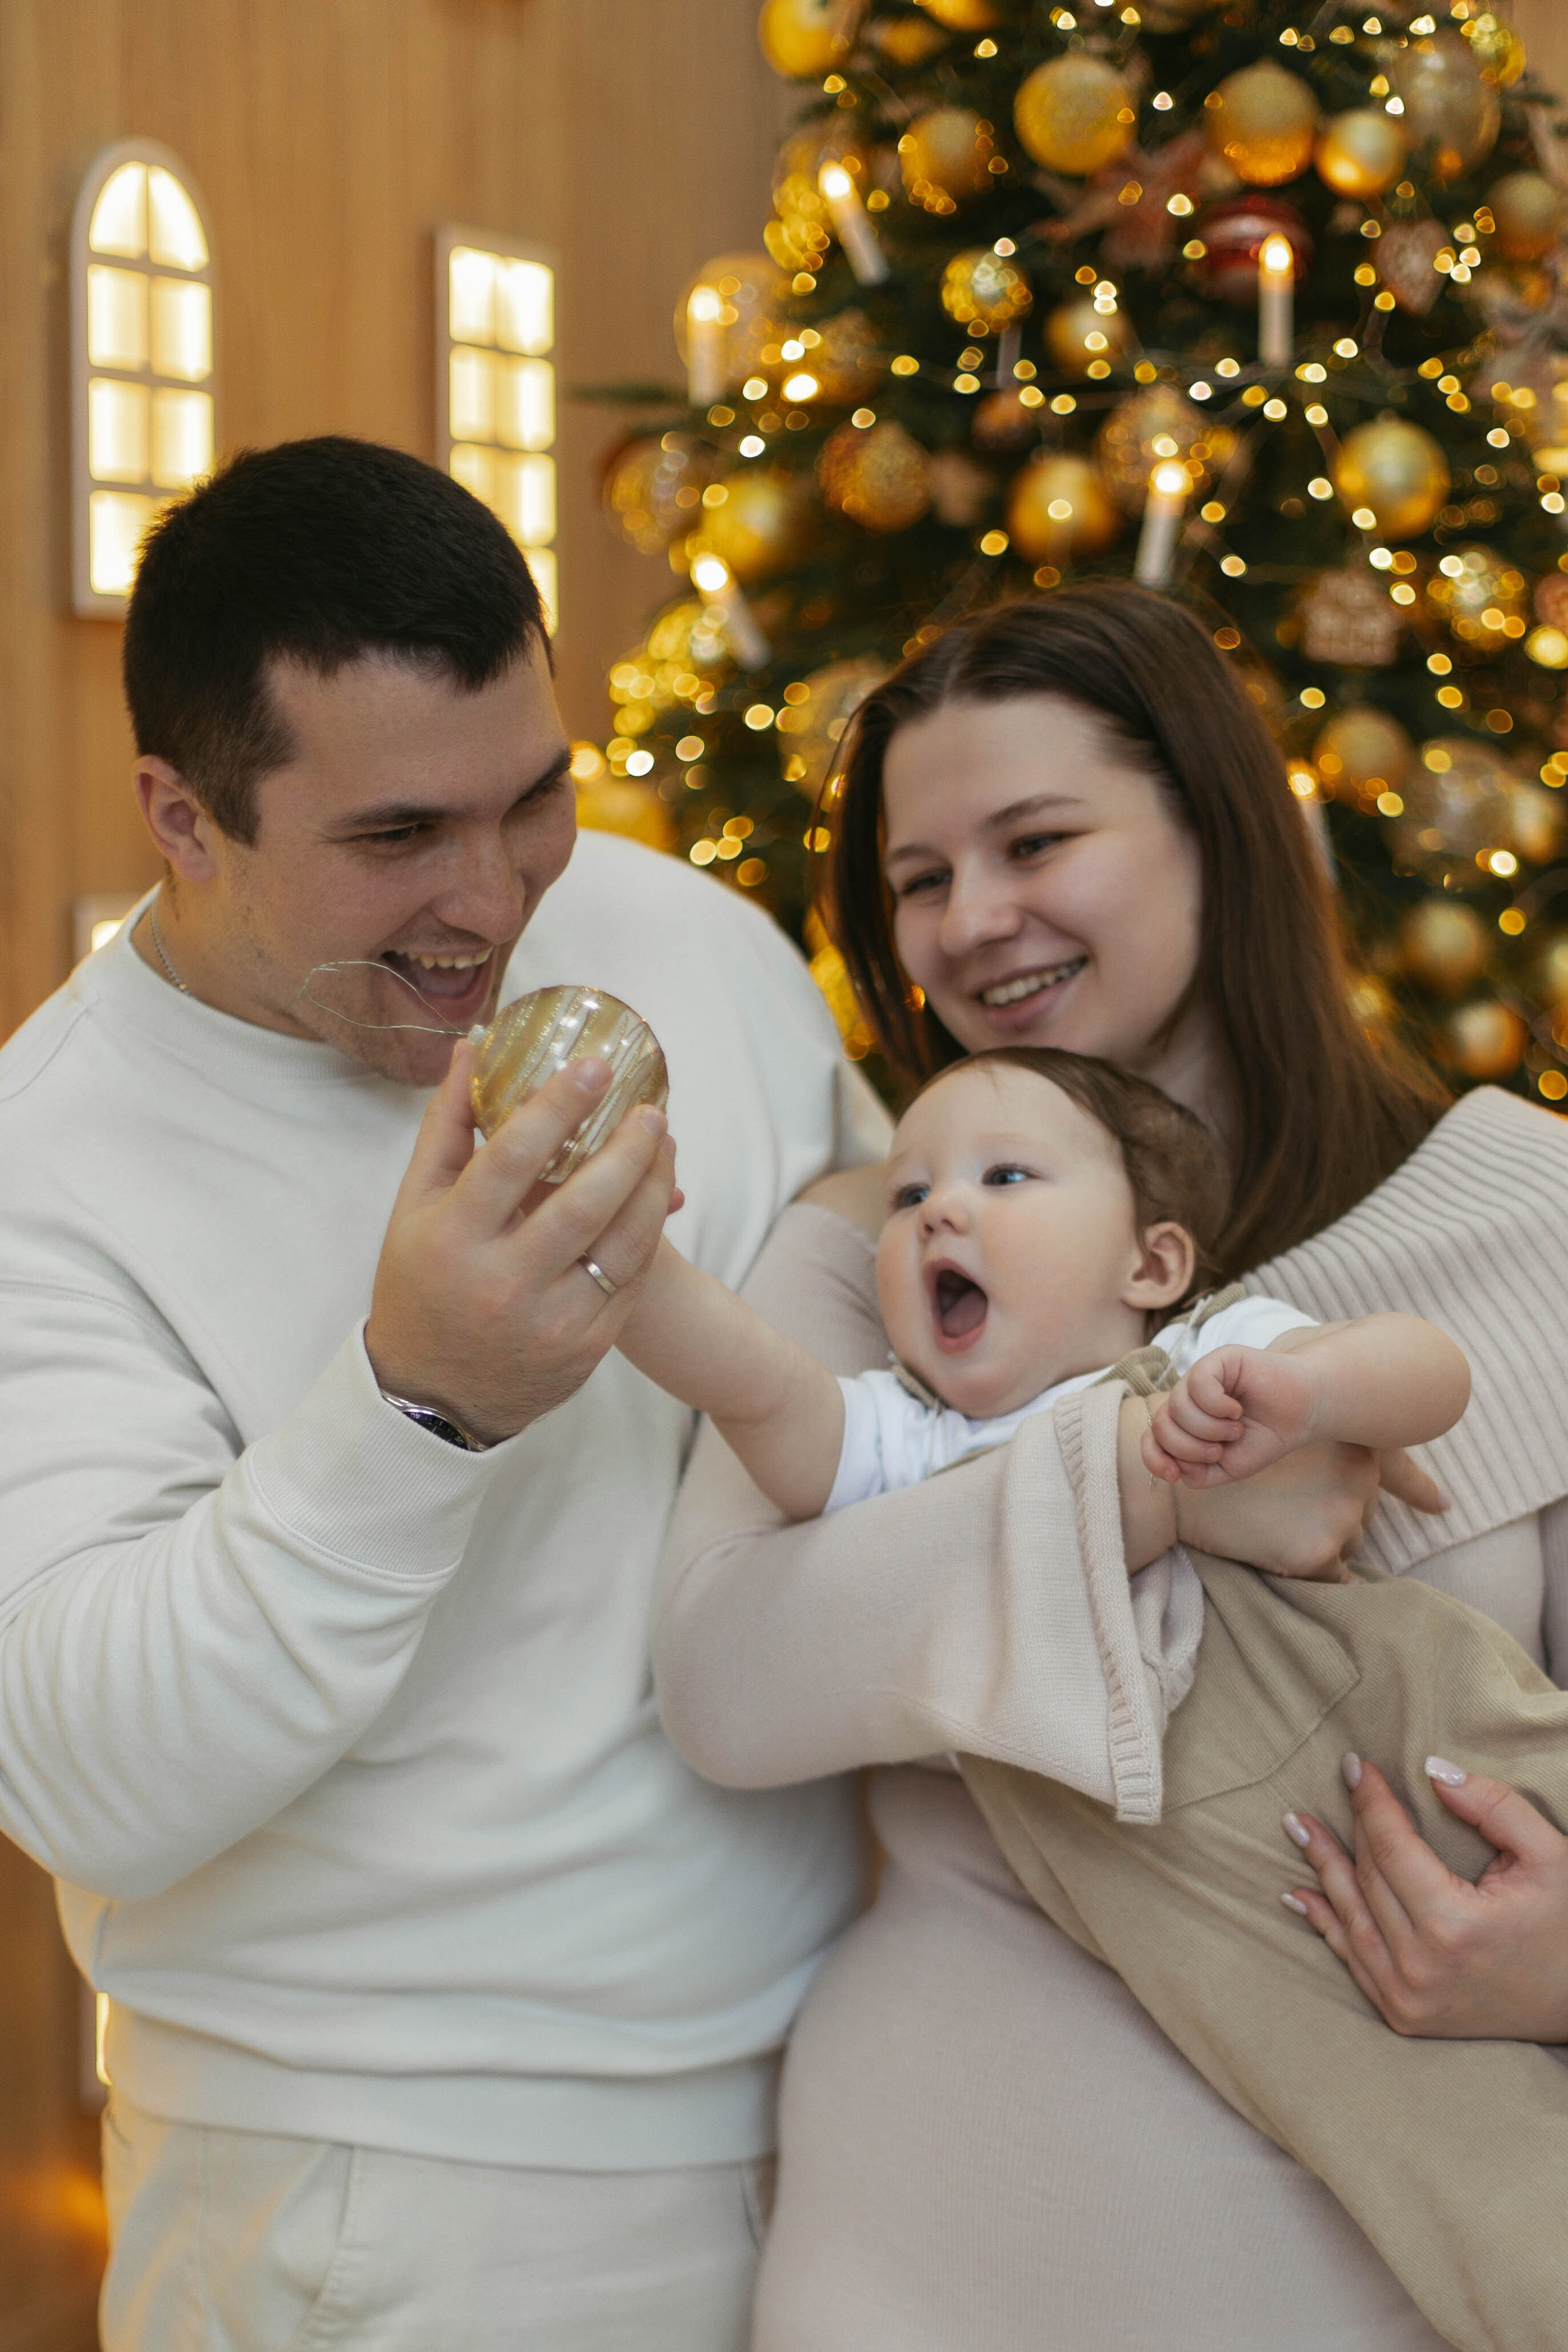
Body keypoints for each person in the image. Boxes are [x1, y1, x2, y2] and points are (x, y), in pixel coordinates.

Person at [0, 436, 888, 2351]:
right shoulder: (47, 1173)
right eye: (398, 838)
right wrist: (418, 1403)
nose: (491, 906)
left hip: (845, 2122)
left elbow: (902, 1375)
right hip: (389, 2199)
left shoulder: (691, 944)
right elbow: (84, 1779)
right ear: (183, 814)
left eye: (536, 800)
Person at [652, 587, 1568, 2351]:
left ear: (1215, 832)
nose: (974, 923)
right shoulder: (881, 1251)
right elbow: (731, 1676)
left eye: (1035, 840)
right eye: (919, 879)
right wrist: (1151, 1481)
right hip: (924, 2275)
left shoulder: (1517, 1218)